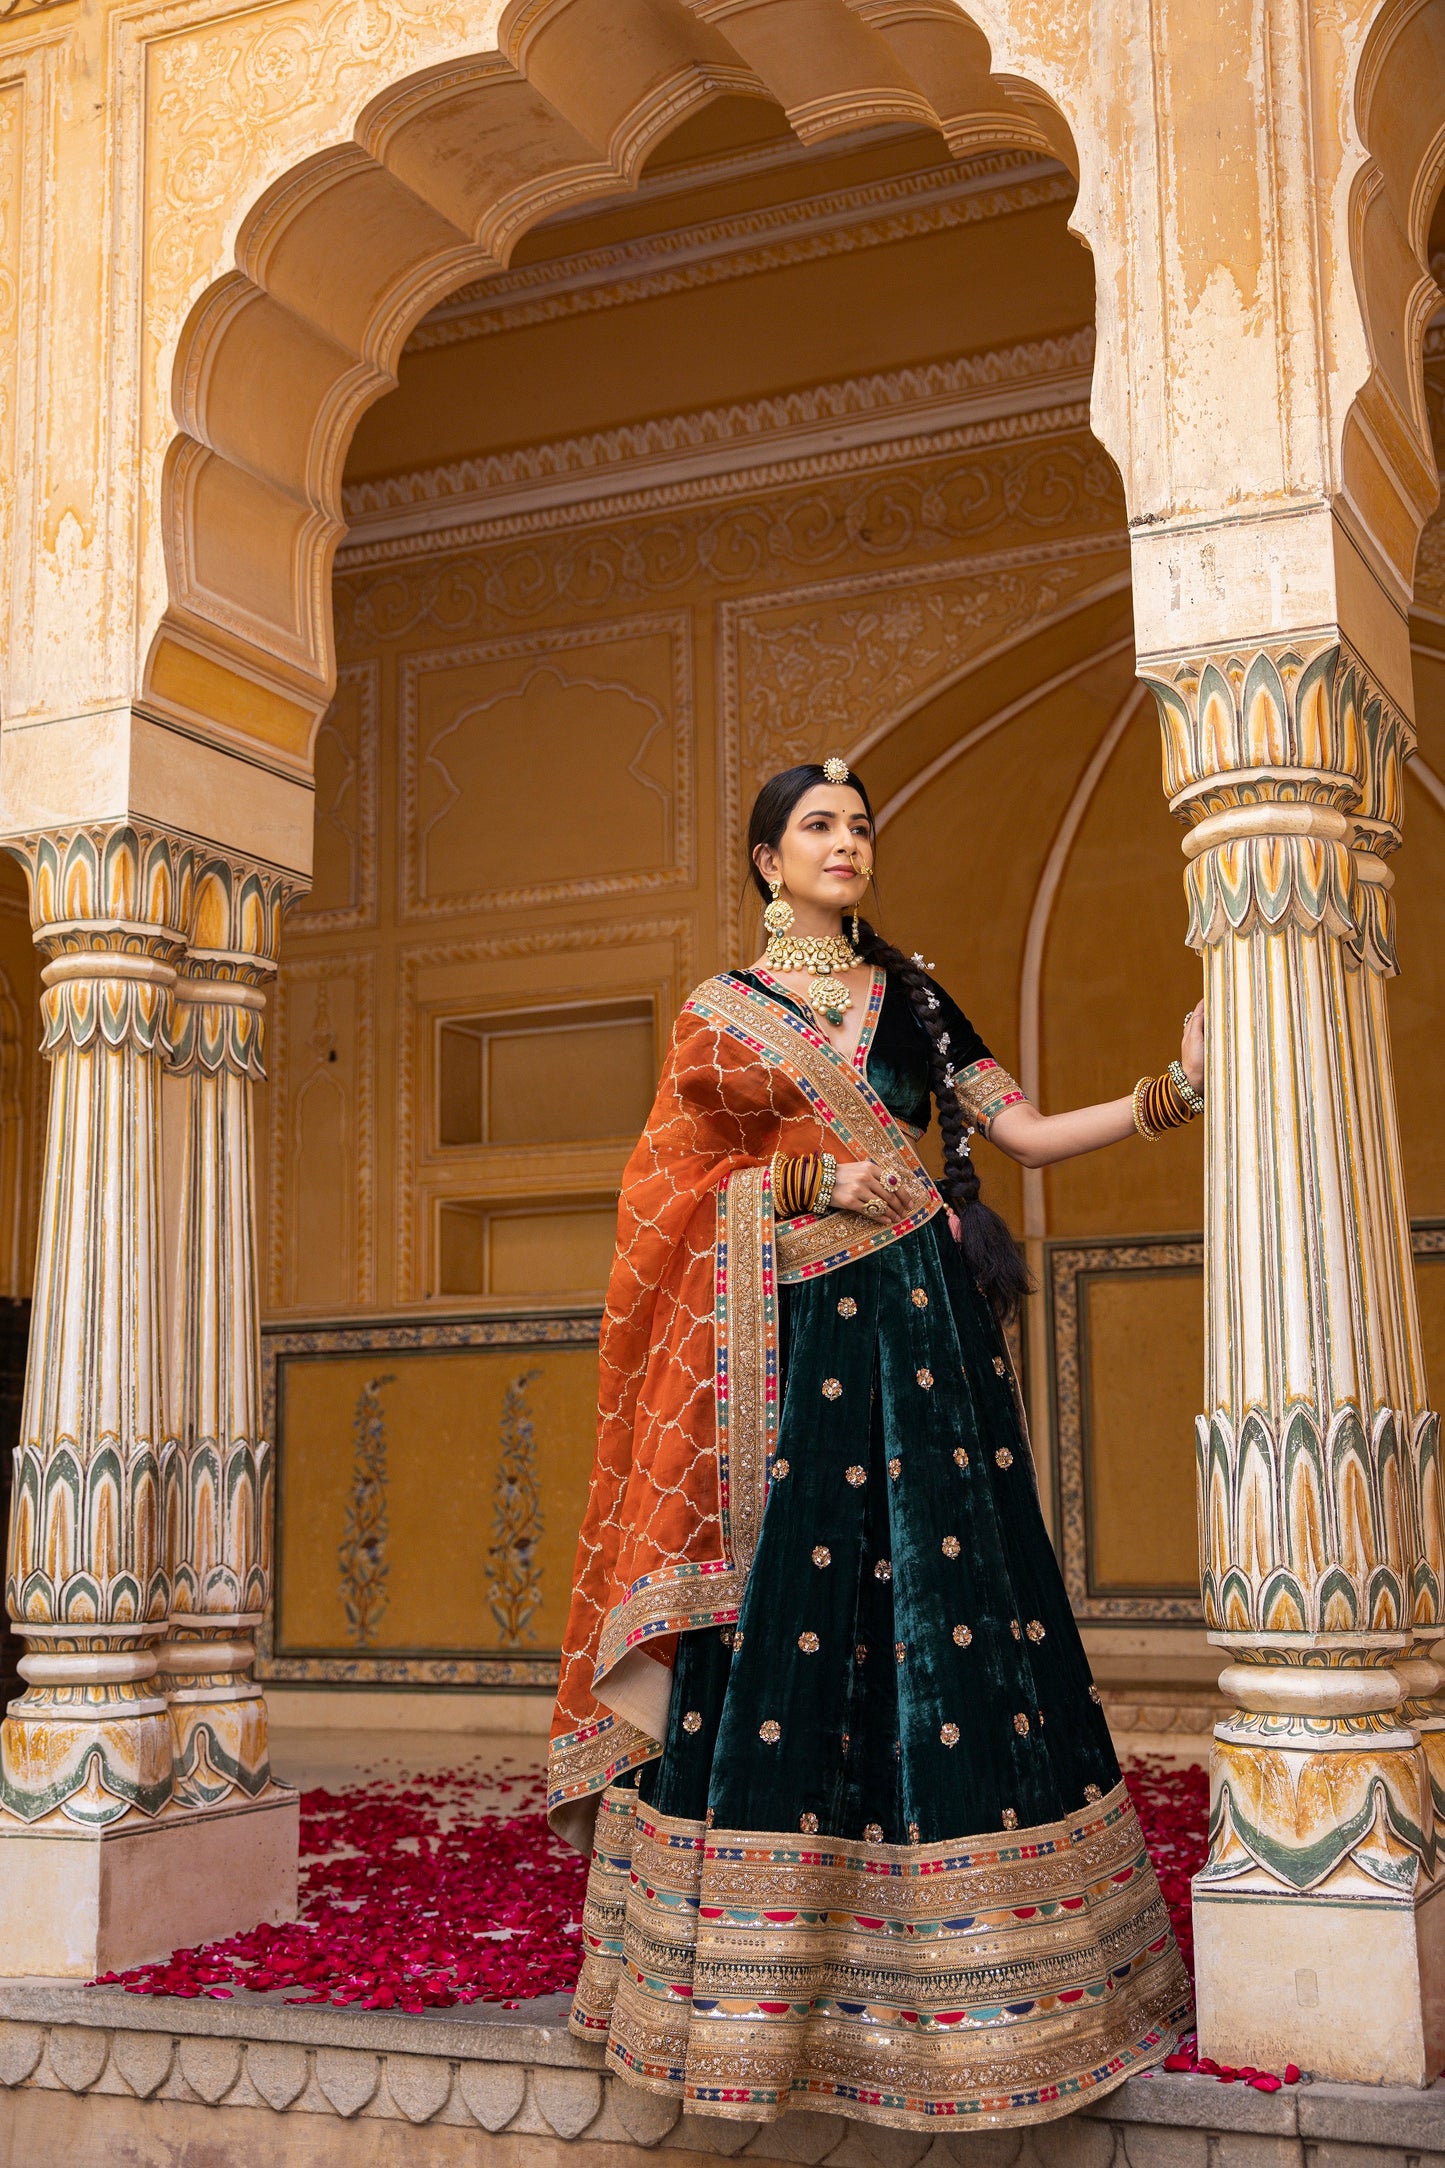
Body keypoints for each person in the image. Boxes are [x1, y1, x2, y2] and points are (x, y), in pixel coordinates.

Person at [547, 758, 1198, 2130]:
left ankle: (990, 1994)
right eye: (817, 829)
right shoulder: (723, 1015)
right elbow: (664, 1190)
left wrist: (1167, 1092)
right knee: (788, 1623)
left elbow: (1011, 1131)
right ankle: (751, 1994)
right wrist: (797, 1179)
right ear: (766, 862)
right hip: (782, 1354)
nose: (845, 844)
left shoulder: (910, 996)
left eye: (857, 828)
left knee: (954, 1618)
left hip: (920, 1337)